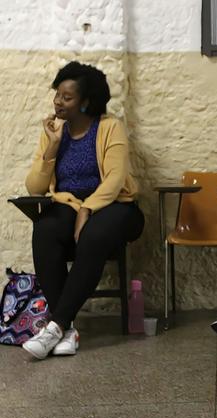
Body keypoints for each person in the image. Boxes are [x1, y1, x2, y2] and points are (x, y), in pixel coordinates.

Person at [21, 61, 145, 359]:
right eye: (57, 95)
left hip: (117, 207)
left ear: (85, 102)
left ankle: (56, 325)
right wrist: (51, 148)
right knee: (45, 228)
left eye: (67, 97)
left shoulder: (108, 126)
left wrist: (87, 210)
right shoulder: (54, 132)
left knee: (93, 235)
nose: (58, 102)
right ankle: (67, 328)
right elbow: (35, 188)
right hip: (70, 206)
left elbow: (115, 180)